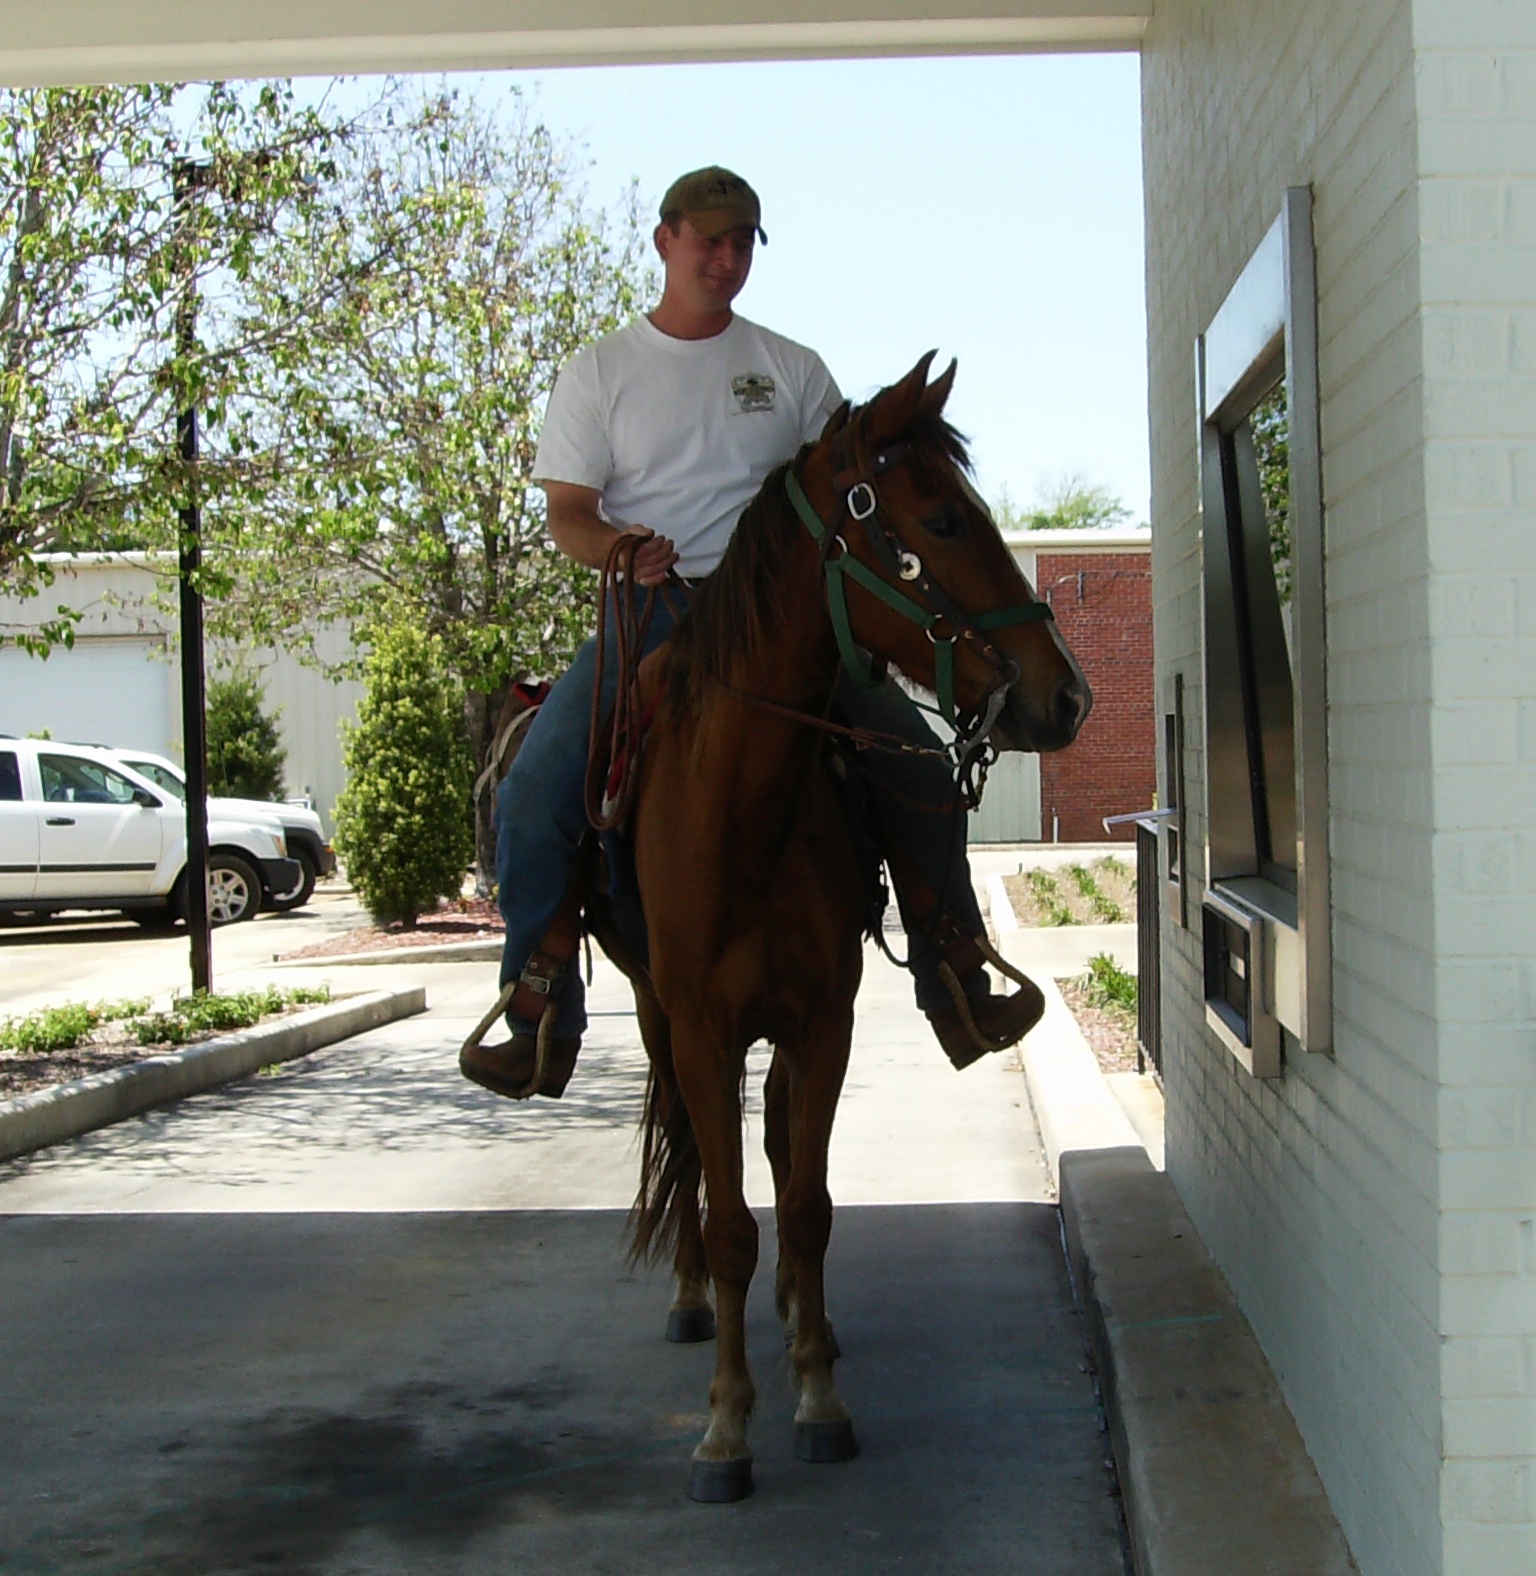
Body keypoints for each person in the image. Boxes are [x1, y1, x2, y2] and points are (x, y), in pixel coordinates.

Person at [462, 166, 1043, 1101]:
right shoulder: (602, 370)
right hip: (652, 610)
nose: (725, 260)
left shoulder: (790, 368)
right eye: (708, 241)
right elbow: (568, 512)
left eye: (742, 245)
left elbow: (848, 485)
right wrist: (618, 546)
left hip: (783, 620)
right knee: (536, 785)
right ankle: (541, 1003)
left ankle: (953, 967)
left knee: (917, 764)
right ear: (666, 243)